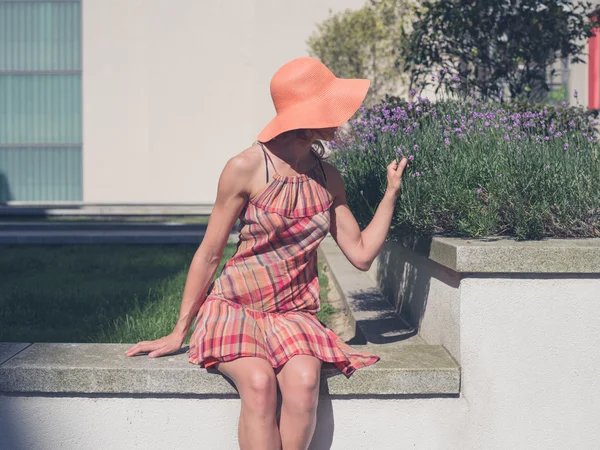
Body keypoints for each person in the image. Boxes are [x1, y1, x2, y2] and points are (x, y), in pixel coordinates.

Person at [125, 57, 408, 450]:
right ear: (306, 116)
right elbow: (209, 255)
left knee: (306, 383)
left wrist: (391, 194)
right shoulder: (245, 167)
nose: (340, 119)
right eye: (330, 108)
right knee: (258, 384)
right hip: (235, 307)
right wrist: (179, 332)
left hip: (293, 314)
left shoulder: (328, 177)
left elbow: (360, 254)